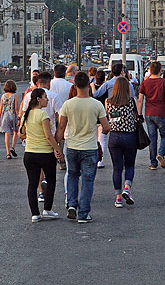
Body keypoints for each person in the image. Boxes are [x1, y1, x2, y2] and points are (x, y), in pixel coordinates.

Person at [56, 71, 110, 223]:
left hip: (72, 146)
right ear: (88, 85)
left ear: (75, 85)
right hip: (89, 147)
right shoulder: (96, 104)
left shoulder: (68, 104)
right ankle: (83, 214)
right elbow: (105, 128)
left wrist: (56, 147)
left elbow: (61, 128)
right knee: (87, 181)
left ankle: (72, 205)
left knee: (72, 175)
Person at [22, 88, 64, 223]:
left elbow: (21, 133)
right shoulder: (43, 115)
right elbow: (48, 136)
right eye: (45, 97)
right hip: (44, 153)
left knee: (32, 183)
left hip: (29, 153)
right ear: (38, 99)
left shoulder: (26, 115)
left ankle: (35, 214)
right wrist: (58, 150)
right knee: (51, 180)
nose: (47, 99)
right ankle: (47, 209)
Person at [105, 77, 138, 207]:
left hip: (114, 137)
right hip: (129, 136)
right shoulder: (131, 101)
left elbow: (108, 116)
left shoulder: (108, 102)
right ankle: (127, 188)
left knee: (117, 168)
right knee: (129, 165)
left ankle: (118, 198)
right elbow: (137, 117)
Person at [138, 61, 165, 170]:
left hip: (149, 113)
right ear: (160, 70)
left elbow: (140, 100)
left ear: (150, 70)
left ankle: (153, 163)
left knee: (152, 138)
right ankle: (161, 154)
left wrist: (139, 114)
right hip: (161, 113)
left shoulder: (144, 83)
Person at [0, 80, 20, 160]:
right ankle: (13, 147)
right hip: (13, 115)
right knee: (15, 132)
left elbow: (0, 108)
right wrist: (19, 117)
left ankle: (7, 153)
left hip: (5, 115)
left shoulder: (3, 96)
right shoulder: (15, 96)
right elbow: (16, 108)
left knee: (7, 134)